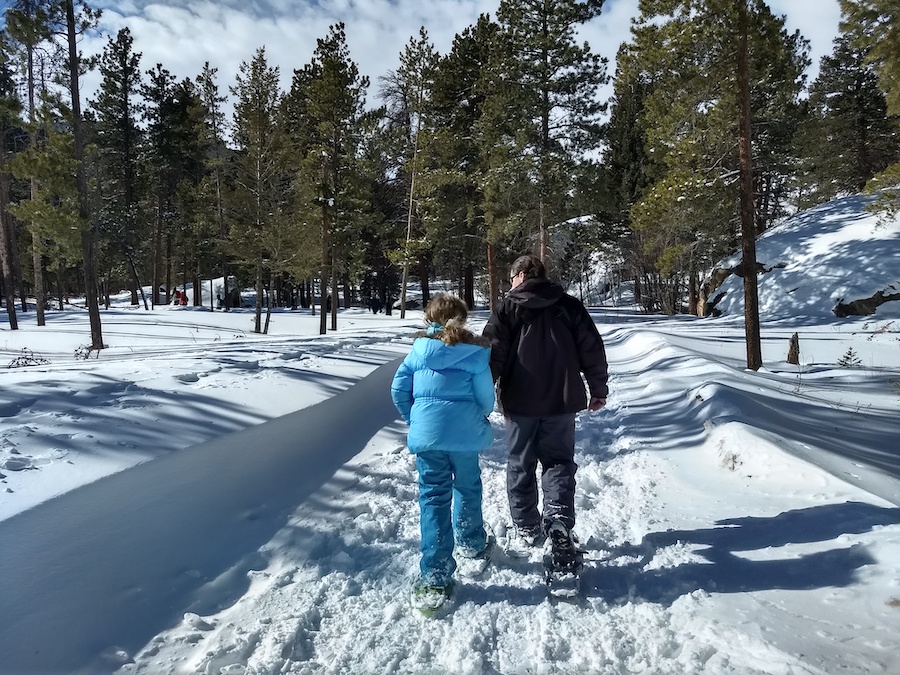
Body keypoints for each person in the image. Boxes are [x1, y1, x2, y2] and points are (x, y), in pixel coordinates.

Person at [482, 254, 608, 575]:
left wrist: (479, 398)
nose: (511, 283)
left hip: (519, 402)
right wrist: (598, 388)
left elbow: (491, 356)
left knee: (520, 463)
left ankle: (527, 526)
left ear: (522, 275)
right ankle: (559, 520)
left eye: (512, 278)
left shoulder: (507, 309)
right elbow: (591, 348)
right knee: (558, 461)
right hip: (560, 401)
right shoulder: (568, 306)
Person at [390, 293, 495, 614]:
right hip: (465, 434)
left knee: (433, 497)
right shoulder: (475, 353)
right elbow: (486, 398)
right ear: (463, 319)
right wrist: (475, 417)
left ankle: (435, 574)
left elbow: (398, 390)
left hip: (429, 437)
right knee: (467, 487)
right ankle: (471, 542)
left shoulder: (418, 351)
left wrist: (416, 419)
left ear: (429, 318)